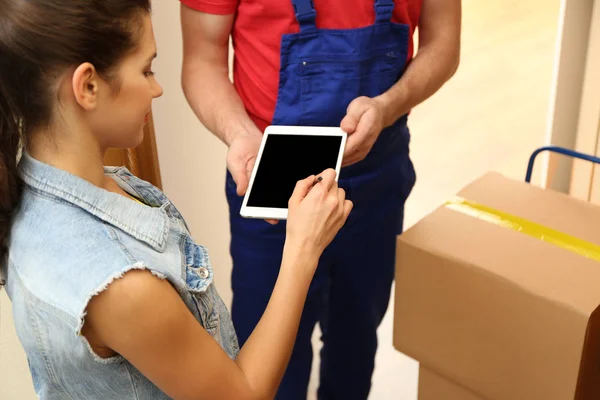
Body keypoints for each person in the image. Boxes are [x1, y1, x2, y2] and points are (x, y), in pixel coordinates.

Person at [0, 1, 353, 399]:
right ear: (88, 86)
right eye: (146, 69)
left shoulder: (32, 194)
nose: (157, 87)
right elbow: (244, 395)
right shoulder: (122, 285)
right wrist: (303, 249)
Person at [180, 0, 461, 398]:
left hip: (376, 180)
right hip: (273, 186)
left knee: (356, 342)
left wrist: (387, 106)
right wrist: (239, 133)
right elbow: (201, 60)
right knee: (271, 359)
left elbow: (444, 45)